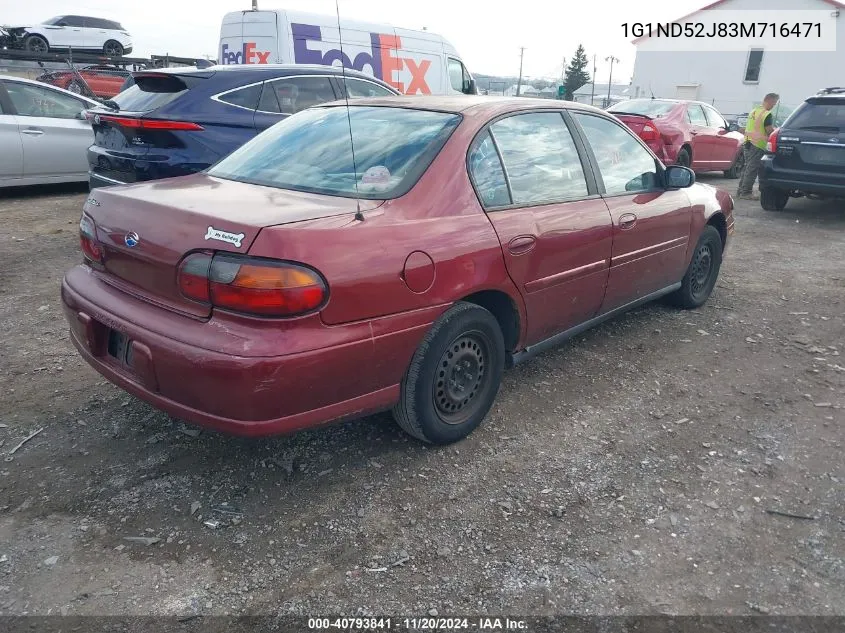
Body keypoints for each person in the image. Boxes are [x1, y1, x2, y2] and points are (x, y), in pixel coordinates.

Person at [736, 92, 779, 200]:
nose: (773, 106)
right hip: (757, 144)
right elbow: (769, 131)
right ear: (769, 101)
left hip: (748, 142)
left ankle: (740, 190)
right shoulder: (766, 114)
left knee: (747, 167)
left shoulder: (754, 111)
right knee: (752, 168)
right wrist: (776, 132)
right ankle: (746, 192)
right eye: (774, 103)